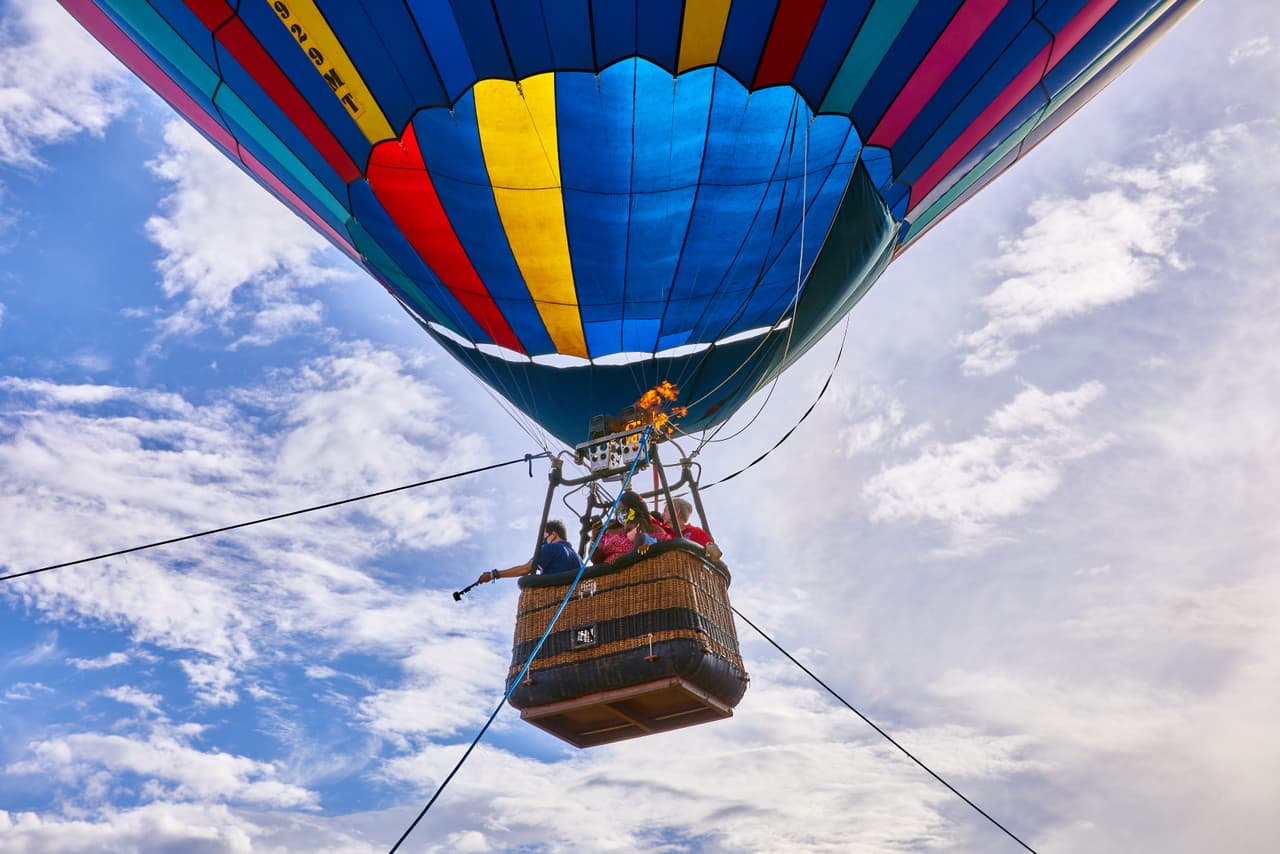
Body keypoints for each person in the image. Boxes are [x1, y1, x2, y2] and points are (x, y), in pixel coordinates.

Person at [476, 520, 582, 585]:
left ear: (553, 534)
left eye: (544, 538)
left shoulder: (552, 548)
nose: (543, 542)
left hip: (553, 601)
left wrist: (493, 575)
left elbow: (525, 569)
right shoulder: (578, 557)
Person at [658, 496, 722, 560]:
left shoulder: (696, 532)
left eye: (665, 511)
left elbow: (715, 554)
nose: (662, 515)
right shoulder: (664, 531)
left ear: (677, 512)